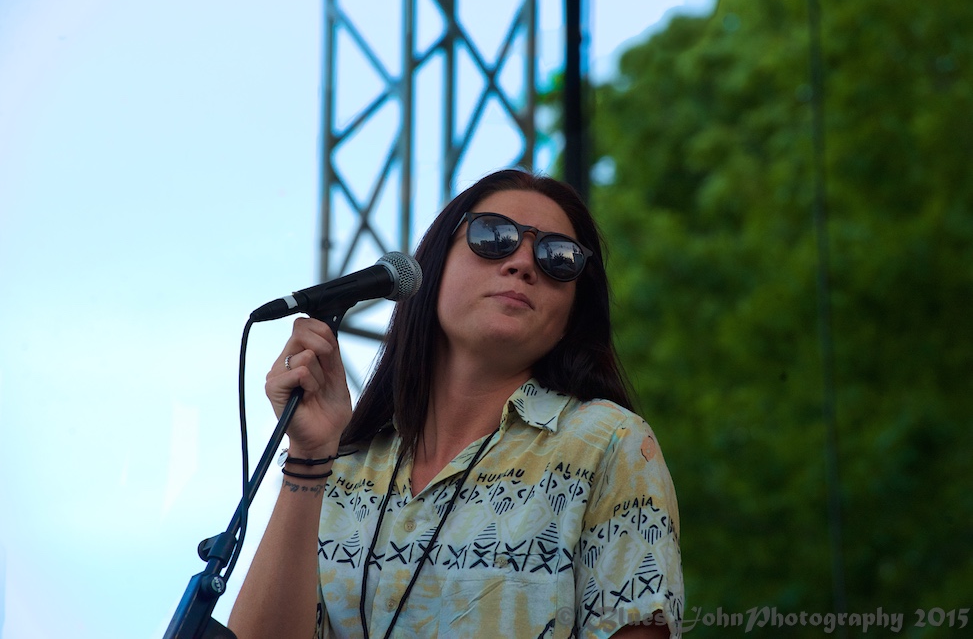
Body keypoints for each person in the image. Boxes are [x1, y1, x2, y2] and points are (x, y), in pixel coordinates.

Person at [228, 169, 683, 638]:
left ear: (571, 315)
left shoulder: (610, 443)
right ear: (431, 269)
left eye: (558, 258)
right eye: (493, 236)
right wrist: (309, 458)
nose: (523, 263)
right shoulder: (344, 467)